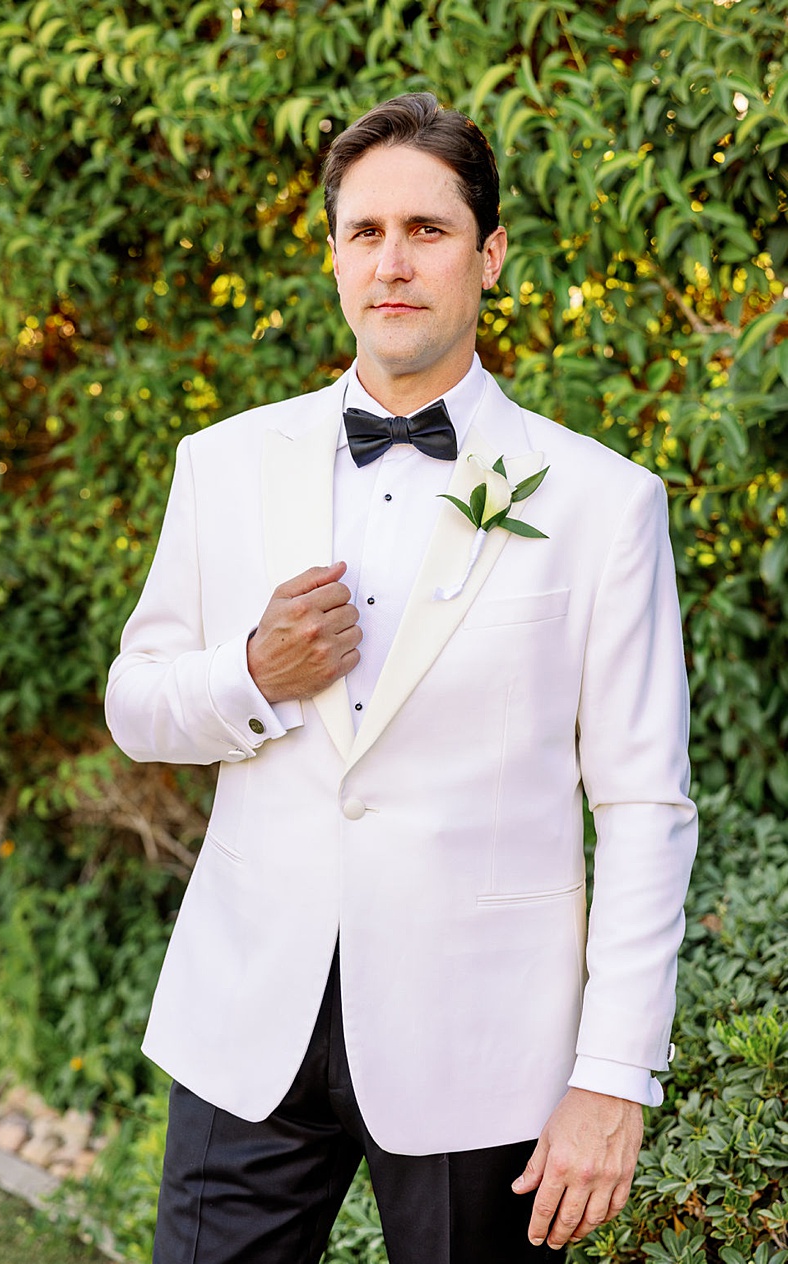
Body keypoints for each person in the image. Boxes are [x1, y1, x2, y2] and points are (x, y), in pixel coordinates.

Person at [104, 93, 697, 1262]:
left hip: (484, 1046)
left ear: (488, 256)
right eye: (363, 232)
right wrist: (251, 673)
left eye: (424, 231)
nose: (391, 261)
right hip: (247, 1024)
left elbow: (641, 805)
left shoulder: (597, 500)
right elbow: (135, 704)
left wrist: (612, 1074)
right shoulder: (221, 464)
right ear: (331, 257)